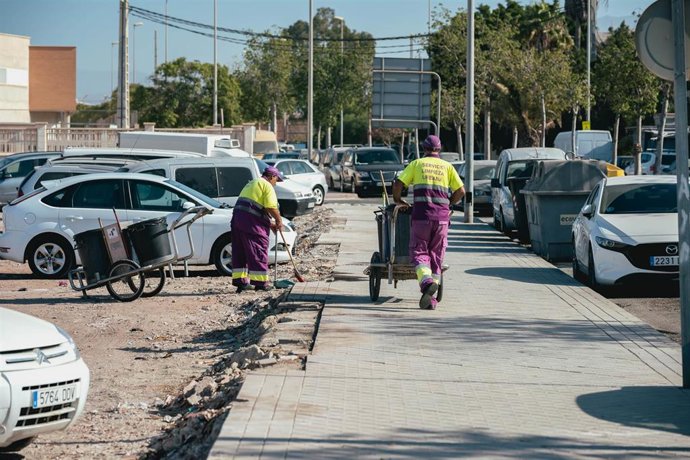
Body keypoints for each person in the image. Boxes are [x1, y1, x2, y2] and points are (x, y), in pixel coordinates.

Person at [392, 135, 465, 310]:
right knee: (436, 255)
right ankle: (431, 299)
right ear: (439, 150)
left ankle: (426, 283)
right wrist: (449, 203)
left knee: (419, 250)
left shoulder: (417, 164)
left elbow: (398, 183)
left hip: (421, 217)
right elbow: (461, 190)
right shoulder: (447, 167)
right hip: (441, 219)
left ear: (424, 149)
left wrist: (398, 200)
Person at [230, 166, 284, 293]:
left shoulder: (253, 183)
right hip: (250, 224)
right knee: (258, 249)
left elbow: (254, 209)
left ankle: (240, 283)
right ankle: (260, 284)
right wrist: (279, 220)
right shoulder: (266, 185)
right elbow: (270, 207)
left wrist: (270, 224)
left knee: (240, 252)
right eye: (276, 180)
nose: (276, 184)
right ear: (272, 177)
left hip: (238, 221)